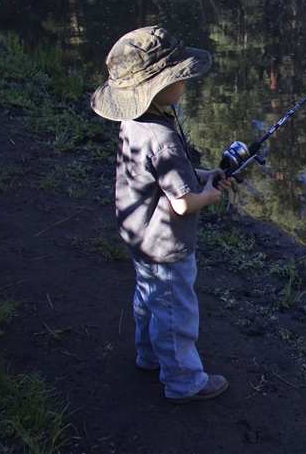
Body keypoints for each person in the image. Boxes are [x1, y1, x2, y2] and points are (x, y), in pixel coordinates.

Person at [90, 26, 235, 404]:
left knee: (149, 298)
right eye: (180, 76)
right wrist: (208, 196)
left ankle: (148, 356)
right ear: (156, 88)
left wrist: (204, 176)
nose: (186, 81)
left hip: (138, 234)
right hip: (165, 242)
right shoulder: (163, 137)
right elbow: (183, 203)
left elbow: (161, 175)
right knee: (176, 312)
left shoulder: (136, 124)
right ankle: (184, 380)